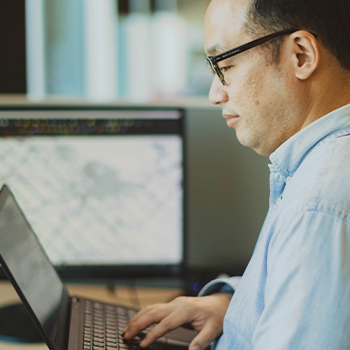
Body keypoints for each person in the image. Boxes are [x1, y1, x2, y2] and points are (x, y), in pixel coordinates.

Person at [123, 0, 350, 348]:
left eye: (224, 65)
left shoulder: (319, 207)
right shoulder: (319, 171)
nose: (216, 94)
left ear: (301, 56)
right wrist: (232, 304)